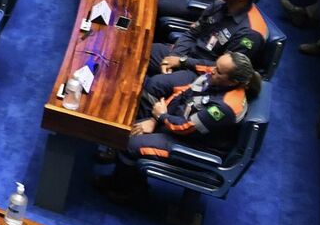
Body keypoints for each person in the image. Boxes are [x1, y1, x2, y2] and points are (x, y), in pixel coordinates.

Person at [98, 51, 260, 202]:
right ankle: (128, 178)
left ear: (233, 82)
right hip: (182, 127)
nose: (212, 70)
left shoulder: (224, 107)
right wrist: (156, 118)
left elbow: (187, 127)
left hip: (196, 146)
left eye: (218, 71)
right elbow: (183, 94)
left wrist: (162, 117)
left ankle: (126, 190)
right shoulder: (217, 77)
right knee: (137, 125)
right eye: (215, 66)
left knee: (129, 143)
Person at [152, 0, 268, 74]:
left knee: (156, 85)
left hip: (205, 74)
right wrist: (174, 56)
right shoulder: (219, 4)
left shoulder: (250, 34)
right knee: (142, 53)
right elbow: (192, 34)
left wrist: (182, 62)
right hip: (187, 54)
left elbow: (223, 70)